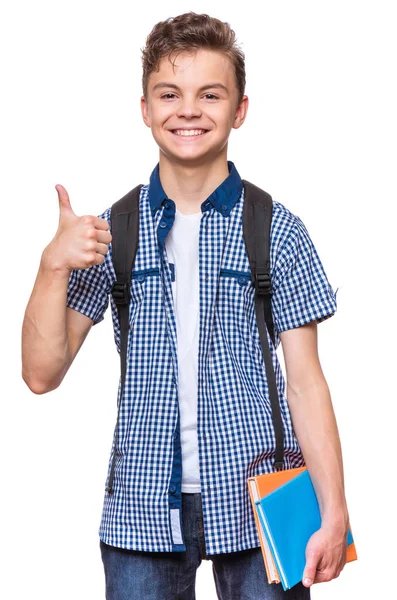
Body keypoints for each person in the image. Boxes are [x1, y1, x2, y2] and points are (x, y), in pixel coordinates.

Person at [21, 11, 350, 600]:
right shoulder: (110, 231)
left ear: (240, 109)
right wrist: (51, 266)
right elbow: (41, 374)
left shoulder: (277, 230)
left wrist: (334, 511)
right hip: (141, 510)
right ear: (145, 108)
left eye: (210, 94)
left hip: (262, 502)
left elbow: (305, 382)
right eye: (169, 94)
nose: (189, 110)